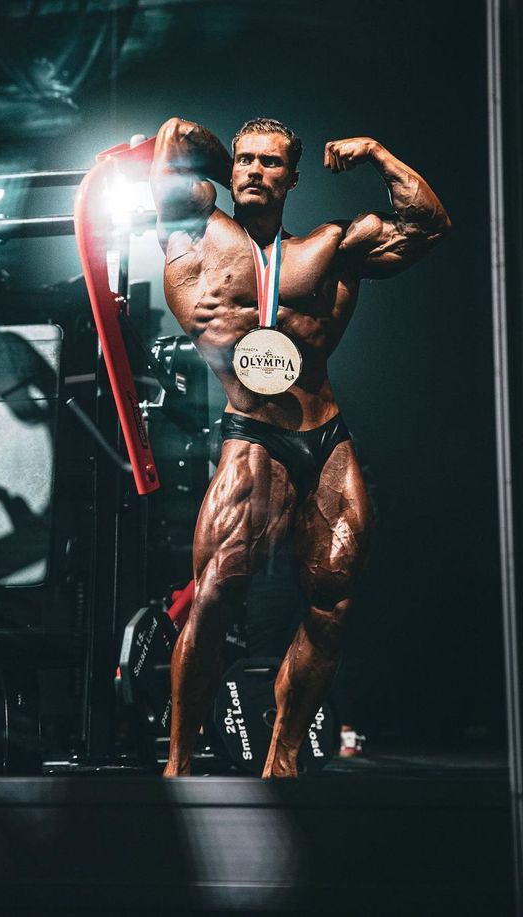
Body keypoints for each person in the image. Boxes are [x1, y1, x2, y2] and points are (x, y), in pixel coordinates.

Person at [150, 117, 450, 778]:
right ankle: (177, 763)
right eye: (246, 161)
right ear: (231, 170)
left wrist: (375, 151)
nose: (256, 171)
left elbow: (429, 226)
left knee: (332, 604)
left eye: (271, 162)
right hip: (252, 431)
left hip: (325, 434)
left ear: (293, 176)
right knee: (214, 595)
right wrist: (212, 146)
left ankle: (282, 759)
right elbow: (171, 141)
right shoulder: (196, 227)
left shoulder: (329, 248)